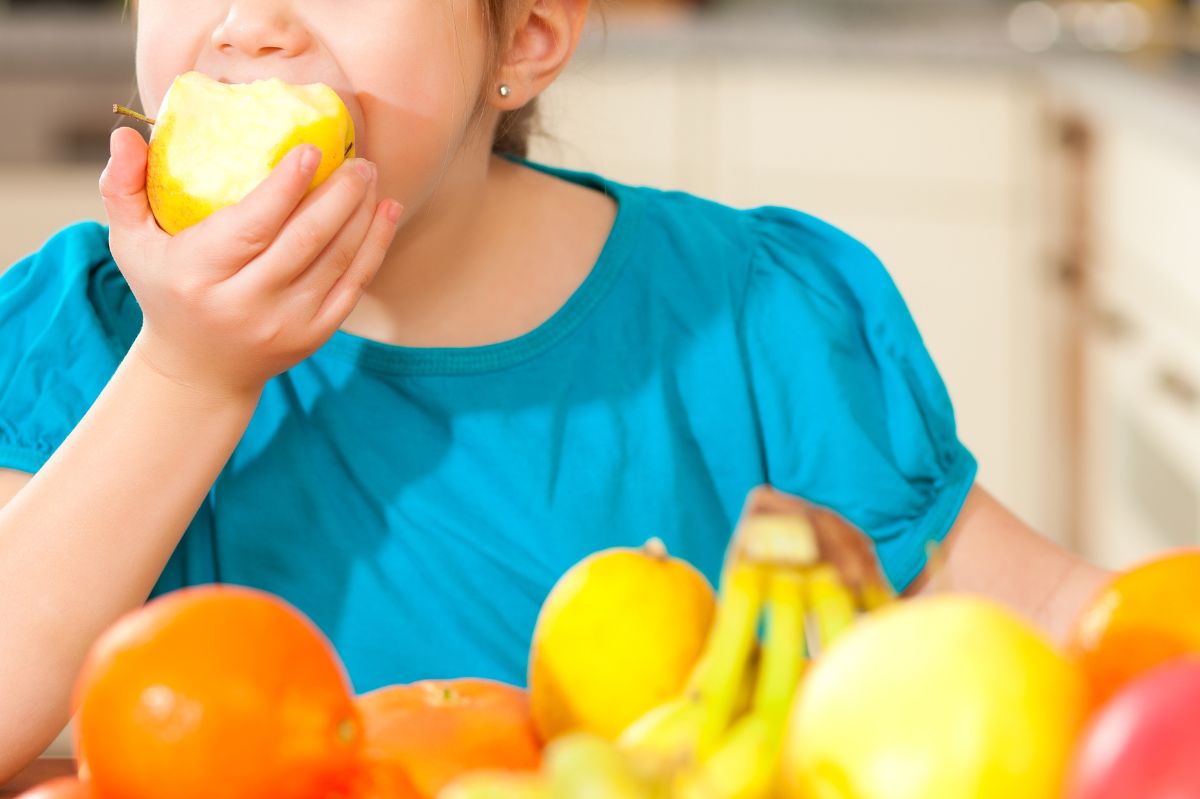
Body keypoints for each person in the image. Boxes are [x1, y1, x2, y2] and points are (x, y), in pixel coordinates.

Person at [0, 0, 1109, 779]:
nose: (248, 22)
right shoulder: (89, 337)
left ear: (524, 39)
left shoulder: (755, 319)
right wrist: (188, 372)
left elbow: (1071, 624)